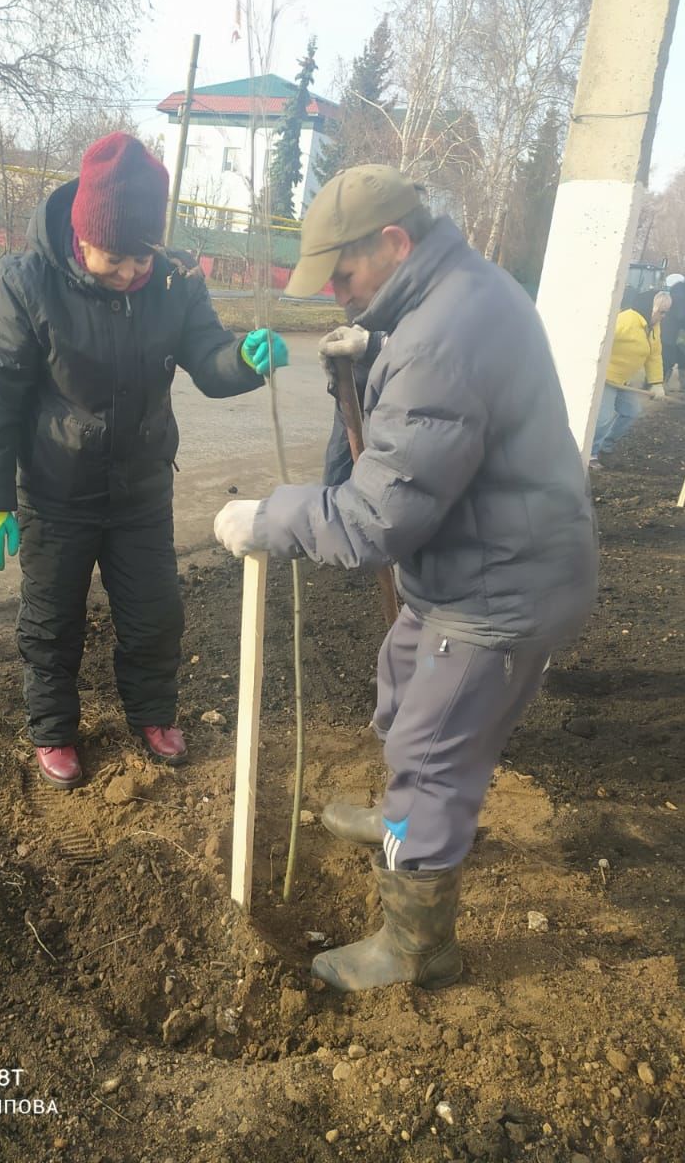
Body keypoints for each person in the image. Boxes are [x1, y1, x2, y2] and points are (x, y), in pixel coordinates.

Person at [213, 165, 597, 994]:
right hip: (470, 562)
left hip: (500, 588)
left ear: (393, 242)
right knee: (400, 690)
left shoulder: (442, 335)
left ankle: (418, 949)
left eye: (344, 276)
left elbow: (376, 518)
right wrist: (355, 371)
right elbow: (381, 454)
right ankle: (400, 823)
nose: (337, 296)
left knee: (430, 753)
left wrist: (273, 518)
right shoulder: (436, 302)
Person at [0, 132, 288, 789]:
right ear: (82, 235)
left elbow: (210, 360)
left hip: (140, 492)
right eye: (116, 259)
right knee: (52, 621)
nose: (130, 274)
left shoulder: (173, 281)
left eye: (141, 258)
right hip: (56, 493)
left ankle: (152, 714)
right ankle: (53, 729)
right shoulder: (24, 284)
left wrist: (246, 362)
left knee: (155, 613)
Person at [589, 290, 669, 469]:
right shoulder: (625, 320)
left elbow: (654, 355)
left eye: (665, 312)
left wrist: (656, 383)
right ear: (650, 307)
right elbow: (599, 340)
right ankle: (589, 453)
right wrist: (594, 365)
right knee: (603, 418)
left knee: (631, 411)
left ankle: (605, 448)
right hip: (606, 378)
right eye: (661, 312)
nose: (663, 316)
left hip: (623, 380)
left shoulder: (653, 326)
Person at [661, 273, 685, 391]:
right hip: (671, 333)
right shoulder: (680, 295)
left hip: (676, 333)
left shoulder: (678, 292)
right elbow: (681, 316)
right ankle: (659, 385)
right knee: (668, 359)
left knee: (682, 358)